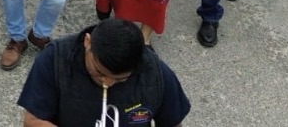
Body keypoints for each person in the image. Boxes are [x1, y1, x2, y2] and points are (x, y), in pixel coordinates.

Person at [16, 18, 192, 127]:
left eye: (120, 79)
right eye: (100, 72)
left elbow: (173, 123)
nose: (107, 83)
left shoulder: (156, 74)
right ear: (87, 42)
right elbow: (32, 121)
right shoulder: (55, 59)